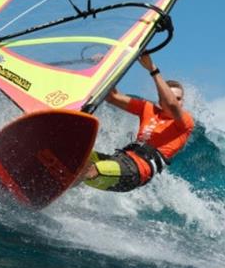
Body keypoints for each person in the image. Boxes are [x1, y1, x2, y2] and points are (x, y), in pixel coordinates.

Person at [82, 53, 194, 192]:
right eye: (170, 96)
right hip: (120, 159)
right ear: (160, 98)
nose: (175, 100)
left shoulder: (185, 123)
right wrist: (106, 65)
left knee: (90, 170)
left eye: (179, 98)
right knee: (79, 157)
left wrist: (152, 69)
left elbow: (171, 104)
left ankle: (67, 178)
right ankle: (55, 184)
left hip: (136, 171)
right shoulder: (148, 109)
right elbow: (112, 96)